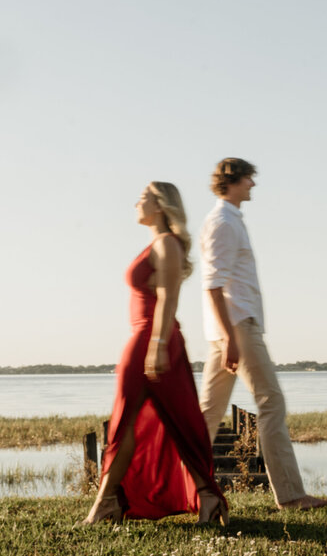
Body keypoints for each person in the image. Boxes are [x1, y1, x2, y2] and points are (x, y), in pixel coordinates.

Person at [82, 182, 229, 526]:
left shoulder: (167, 245)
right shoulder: (157, 244)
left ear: (161, 206)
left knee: (169, 421)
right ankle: (202, 498)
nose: (136, 202)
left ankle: (108, 505)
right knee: (144, 421)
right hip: (147, 337)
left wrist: (158, 346)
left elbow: (168, 298)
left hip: (153, 338)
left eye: (143, 198)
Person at [198, 158, 327, 510]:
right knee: (272, 403)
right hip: (237, 328)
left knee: (207, 416)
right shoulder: (223, 223)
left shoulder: (229, 220)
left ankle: (176, 488)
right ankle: (291, 496)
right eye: (248, 179)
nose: (253, 185)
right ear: (231, 182)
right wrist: (230, 338)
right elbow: (212, 285)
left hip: (228, 328)